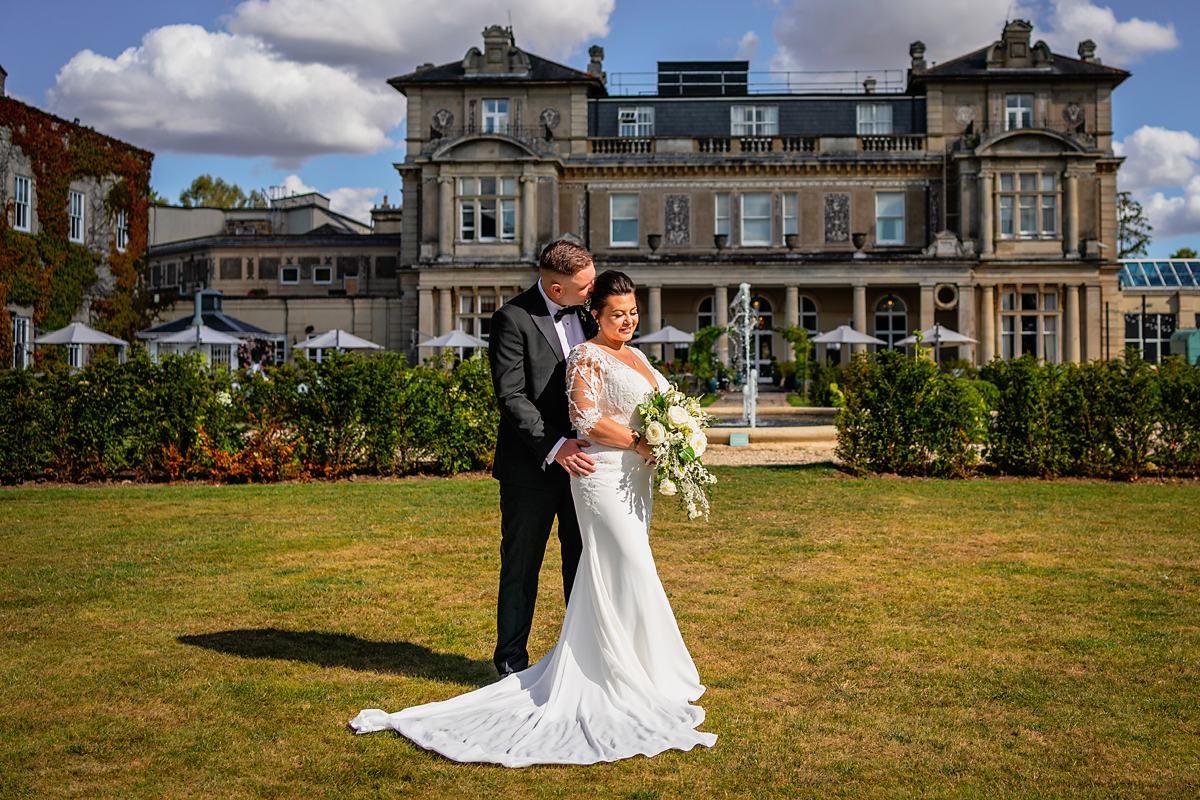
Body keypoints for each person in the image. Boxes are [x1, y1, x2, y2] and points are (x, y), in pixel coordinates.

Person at [348, 269, 717, 766]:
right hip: (555, 464)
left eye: (628, 311)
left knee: (595, 570)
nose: (621, 315)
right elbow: (517, 396)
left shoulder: (635, 352)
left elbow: (648, 403)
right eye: (607, 305)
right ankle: (513, 666)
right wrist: (615, 442)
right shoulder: (516, 320)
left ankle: (617, 667)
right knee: (529, 565)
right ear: (565, 287)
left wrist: (676, 435)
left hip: (620, 476)